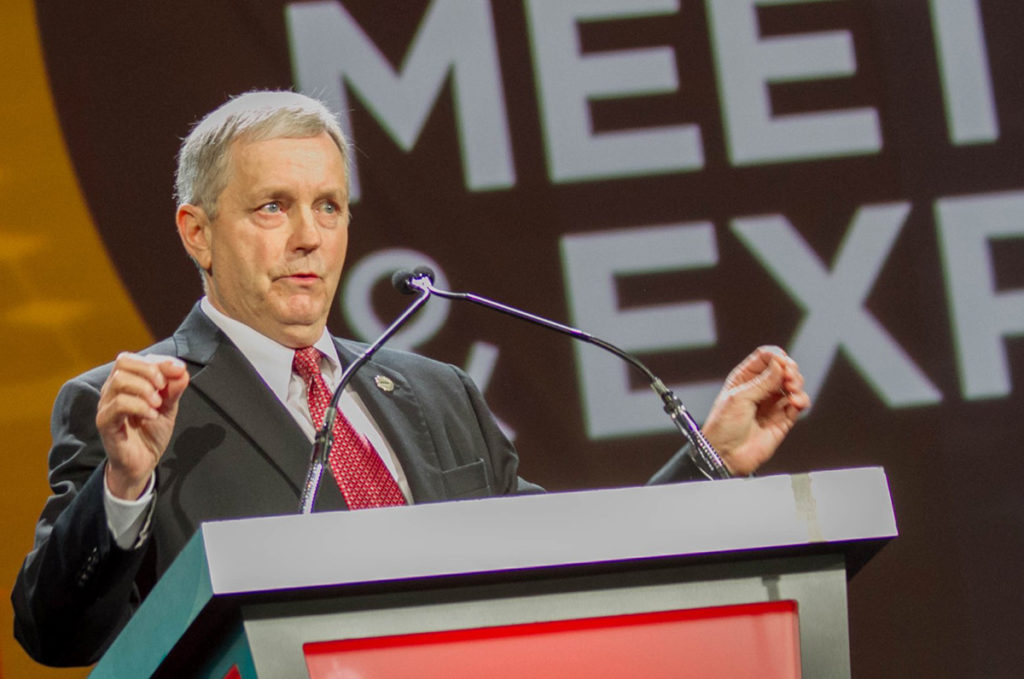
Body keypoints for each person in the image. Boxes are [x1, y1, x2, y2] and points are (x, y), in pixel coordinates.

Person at [11, 90, 810, 667]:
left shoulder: (435, 392)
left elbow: (569, 564)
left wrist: (711, 457)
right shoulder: (132, 409)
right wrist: (123, 488)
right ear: (198, 232)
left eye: (328, 207)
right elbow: (57, 635)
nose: (307, 239)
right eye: (272, 208)